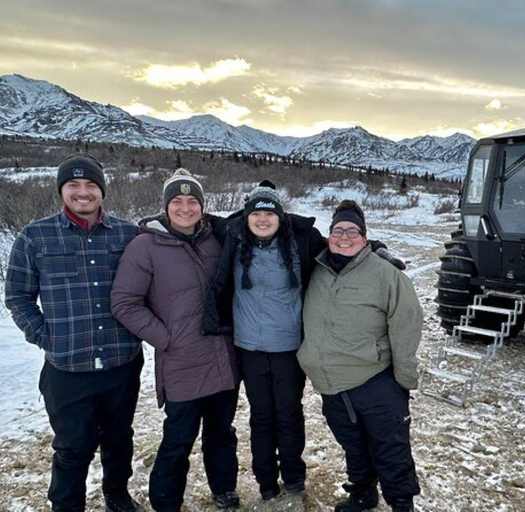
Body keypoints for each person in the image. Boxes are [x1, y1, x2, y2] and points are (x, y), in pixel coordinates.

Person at [204, 182, 405, 505]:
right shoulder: (233, 235)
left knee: (288, 414)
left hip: (288, 348)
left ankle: (294, 478)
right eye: (256, 213)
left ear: (281, 217)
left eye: (270, 213)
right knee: (261, 416)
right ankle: (266, 482)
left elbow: (341, 243)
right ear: (246, 216)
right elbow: (195, 220)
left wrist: (376, 249)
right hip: (249, 348)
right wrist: (156, 222)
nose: (263, 219)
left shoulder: (301, 240)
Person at [4, 153, 145, 512]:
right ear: (61, 190)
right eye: (73, 185)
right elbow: (17, 295)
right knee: (72, 447)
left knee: (119, 438)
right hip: (67, 368)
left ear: (103, 190)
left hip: (121, 360)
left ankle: (117, 495)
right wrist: (44, 335)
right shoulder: (36, 237)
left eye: (91, 185)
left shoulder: (128, 234)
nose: (83, 192)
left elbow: (149, 287)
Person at [110, 169, 240, 512]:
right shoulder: (145, 246)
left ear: (202, 206)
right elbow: (124, 303)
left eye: (193, 201)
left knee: (221, 432)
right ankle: (166, 503)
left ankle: (224, 490)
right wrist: (166, 339)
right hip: (182, 361)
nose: (185, 208)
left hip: (222, 356)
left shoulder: (216, 239)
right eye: (177, 201)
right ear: (166, 206)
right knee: (178, 439)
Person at [297, 200, 422, 512]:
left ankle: (401, 504)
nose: (345, 237)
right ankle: (363, 494)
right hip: (331, 385)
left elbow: (406, 326)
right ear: (328, 235)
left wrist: (403, 381)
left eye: (353, 231)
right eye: (338, 230)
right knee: (353, 446)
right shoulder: (316, 267)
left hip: (374, 381)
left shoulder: (386, 274)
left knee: (390, 448)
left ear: (365, 238)